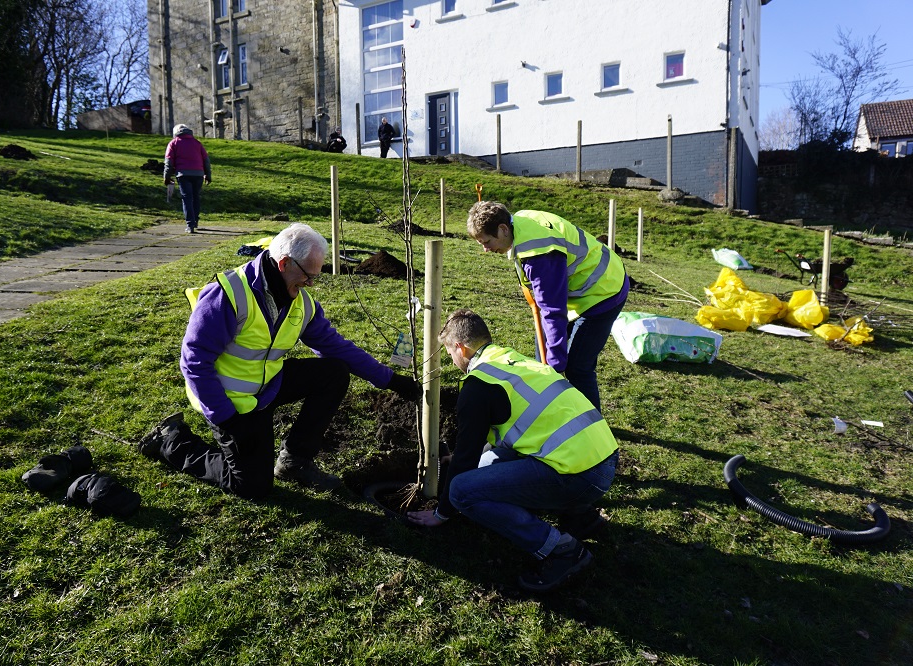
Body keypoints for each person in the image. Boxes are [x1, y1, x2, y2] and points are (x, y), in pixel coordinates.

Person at [138, 223, 421, 499]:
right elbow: (194, 362)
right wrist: (227, 417)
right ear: (284, 263)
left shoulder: (301, 301)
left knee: (333, 372)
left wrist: (390, 379)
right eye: (308, 275)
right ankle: (172, 440)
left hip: (265, 388)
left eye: (315, 277)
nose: (311, 283)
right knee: (251, 486)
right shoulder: (228, 294)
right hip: (229, 400)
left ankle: (294, 461)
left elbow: (336, 348)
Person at [407, 309, 618, 592]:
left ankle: (561, 550)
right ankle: (580, 516)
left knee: (462, 491)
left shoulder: (477, 385)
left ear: (461, 347)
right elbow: (501, 438)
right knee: (488, 463)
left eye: (449, 353)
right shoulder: (510, 359)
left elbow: (466, 461)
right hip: (601, 454)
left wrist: (442, 512)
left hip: (579, 475)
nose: (452, 361)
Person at [466, 201, 628, 413]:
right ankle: (553, 409)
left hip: (604, 292)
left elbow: (553, 312)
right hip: (578, 291)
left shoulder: (540, 255)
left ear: (503, 229)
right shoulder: (519, 221)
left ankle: (591, 423)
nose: (486, 250)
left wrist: (555, 365)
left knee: (577, 366)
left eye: (486, 242)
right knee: (543, 354)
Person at [163, 124, 212, 233]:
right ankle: (195, 221)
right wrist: (207, 175)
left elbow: (168, 162)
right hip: (198, 174)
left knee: (187, 198)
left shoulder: (173, 143)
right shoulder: (197, 143)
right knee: (196, 197)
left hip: (183, 174)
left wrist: (166, 177)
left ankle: (190, 225)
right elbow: (206, 161)